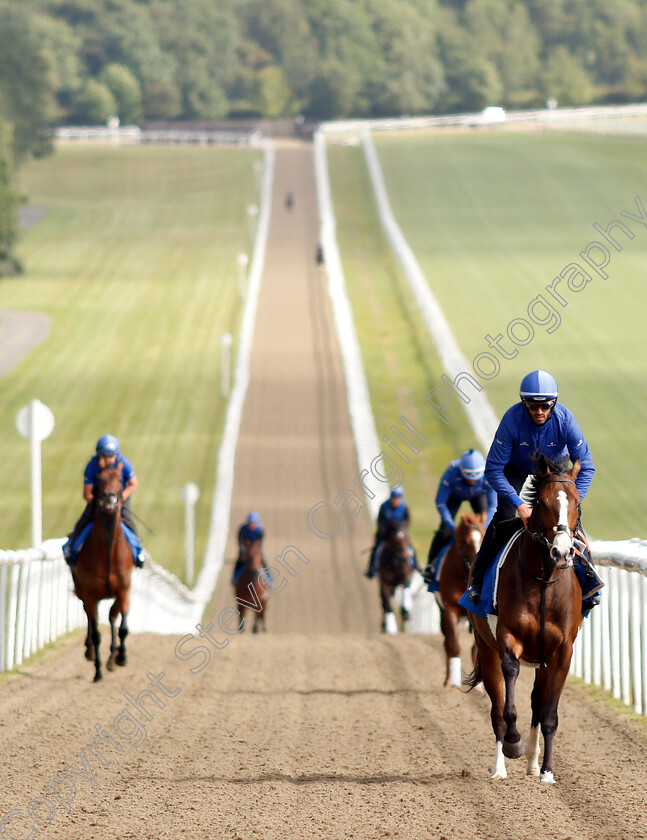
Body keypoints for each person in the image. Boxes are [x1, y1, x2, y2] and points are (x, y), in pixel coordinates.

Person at [467, 370, 603, 610]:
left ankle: (588, 579)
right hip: (515, 467)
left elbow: (587, 466)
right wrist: (519, 504)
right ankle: (478, 578)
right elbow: (493, 469)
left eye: (545, 406)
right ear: (524, 404)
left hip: (554, 468)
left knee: (568, 519)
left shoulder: (566, 420)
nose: (539, 411)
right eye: (532, 406)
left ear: (554, 404)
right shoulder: (512, 419)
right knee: (505, 515)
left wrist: (572, 501)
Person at [63, 434, 144, 568]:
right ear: (99, 456)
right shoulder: (92, 466)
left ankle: (138, 551)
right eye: (104, 456)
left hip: (119, 499)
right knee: (84, 521)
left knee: (127, 521)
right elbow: (87, 493)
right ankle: (71, 548)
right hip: (98, 500)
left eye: (110, 457)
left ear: (116, 455)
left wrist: (121, 498)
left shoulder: (124, 463)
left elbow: (133, 484)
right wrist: (97, 502)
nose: (107, 460)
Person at [423, 449, 496, 582]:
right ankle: (430, 566)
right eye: (468, 479)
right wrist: (450, 524)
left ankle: (494, 564)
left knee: (490, 531)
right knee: (444, 531)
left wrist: (484, 526)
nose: (472, 482)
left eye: (475, 479)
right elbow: (440, 501)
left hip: (478, 496)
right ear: (461, 472)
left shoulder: (489, 474)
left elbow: (492, 505)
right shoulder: (451, 472)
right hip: (454, 496)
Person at [365, 486, 418, 578]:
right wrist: (385, 529)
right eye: (394, 498)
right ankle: (372, 568)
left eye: (397, 498)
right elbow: (379, 520)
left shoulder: (404, 506)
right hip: (386, 534)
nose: (395, 501)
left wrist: (402, 529)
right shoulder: (384, 506)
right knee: (377, 549)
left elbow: (407, 520)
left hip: (400, 533)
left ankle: (415, 565)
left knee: (410, 548)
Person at [231, 511, 267, 585]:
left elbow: (259, 542)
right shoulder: (243, 529)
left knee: (263, 562)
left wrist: (255, 551)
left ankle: (269, 579)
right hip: (245, 551)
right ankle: (235, 578)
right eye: (250, 523)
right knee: (239, 563)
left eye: (253, 524)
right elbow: (240, 541)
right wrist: (243, 552)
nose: (251, 526)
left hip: (256, 550)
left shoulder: (260, 530)